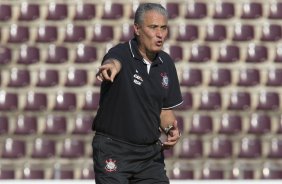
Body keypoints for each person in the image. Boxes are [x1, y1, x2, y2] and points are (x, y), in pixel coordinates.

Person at [92, 3, 183, 184]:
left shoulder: (167, 63)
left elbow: (164, 111)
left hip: (149, 155)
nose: (159, 34)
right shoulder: (121, 53)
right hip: (114, 149)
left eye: (163, 28)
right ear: (137, 29)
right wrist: (109, 68)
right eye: (153, 27)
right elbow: (113, 62)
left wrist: (169, 129)